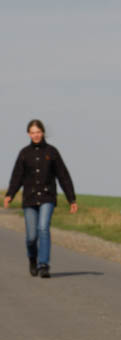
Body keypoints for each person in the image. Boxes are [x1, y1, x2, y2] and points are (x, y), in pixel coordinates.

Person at [3, 119, 78, 277]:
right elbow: (17, 176)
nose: (36, 135)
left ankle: (43, 264)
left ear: (43, 133)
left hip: (47, 197)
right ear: (28, 134)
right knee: (31, 237)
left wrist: (71, 199)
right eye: (32, 132)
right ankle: (32, 258)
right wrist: (10, 194)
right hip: (29, 199)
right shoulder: (24, 153)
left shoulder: (52, 152)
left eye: (38, 132)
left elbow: (63, 176)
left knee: (43, 228)